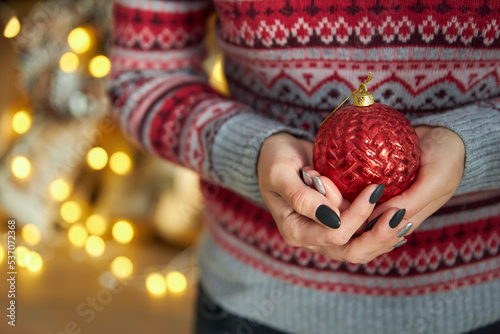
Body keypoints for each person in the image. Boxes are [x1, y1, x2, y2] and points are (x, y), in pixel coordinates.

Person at [109, 1, 500, 333]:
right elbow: (143, 76)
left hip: (481, 301)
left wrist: (476, 146)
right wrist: (252, 149)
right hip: (253, 302)